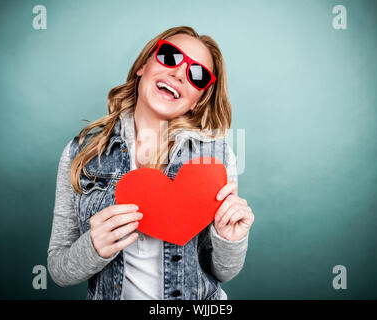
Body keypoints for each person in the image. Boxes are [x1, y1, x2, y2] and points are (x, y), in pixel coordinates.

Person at [47, 26, 255, 300]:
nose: (179, 73)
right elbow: (59, 269)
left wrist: (231, 239)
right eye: (170, 56)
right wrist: (93, 248)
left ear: (198, 99)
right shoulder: (81, 153)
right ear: (143, 66)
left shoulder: (216, 157)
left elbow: (224, 272)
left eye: (197, 75)